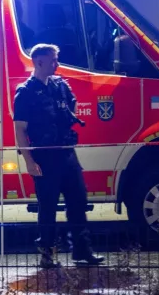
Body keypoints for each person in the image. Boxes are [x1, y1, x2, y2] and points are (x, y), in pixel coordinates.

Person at [13, 44, 105, 269]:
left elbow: (69, 111)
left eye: (57, 59)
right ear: (39, 62)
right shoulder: (25, 92)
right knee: (48, 207)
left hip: (66, 153)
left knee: (78, 201)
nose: (57, 64)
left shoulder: (61, 86)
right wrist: (29, 161)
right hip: (45, 157)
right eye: (53, 60)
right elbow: (20, 130)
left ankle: (82, 251)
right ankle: (47, 254)